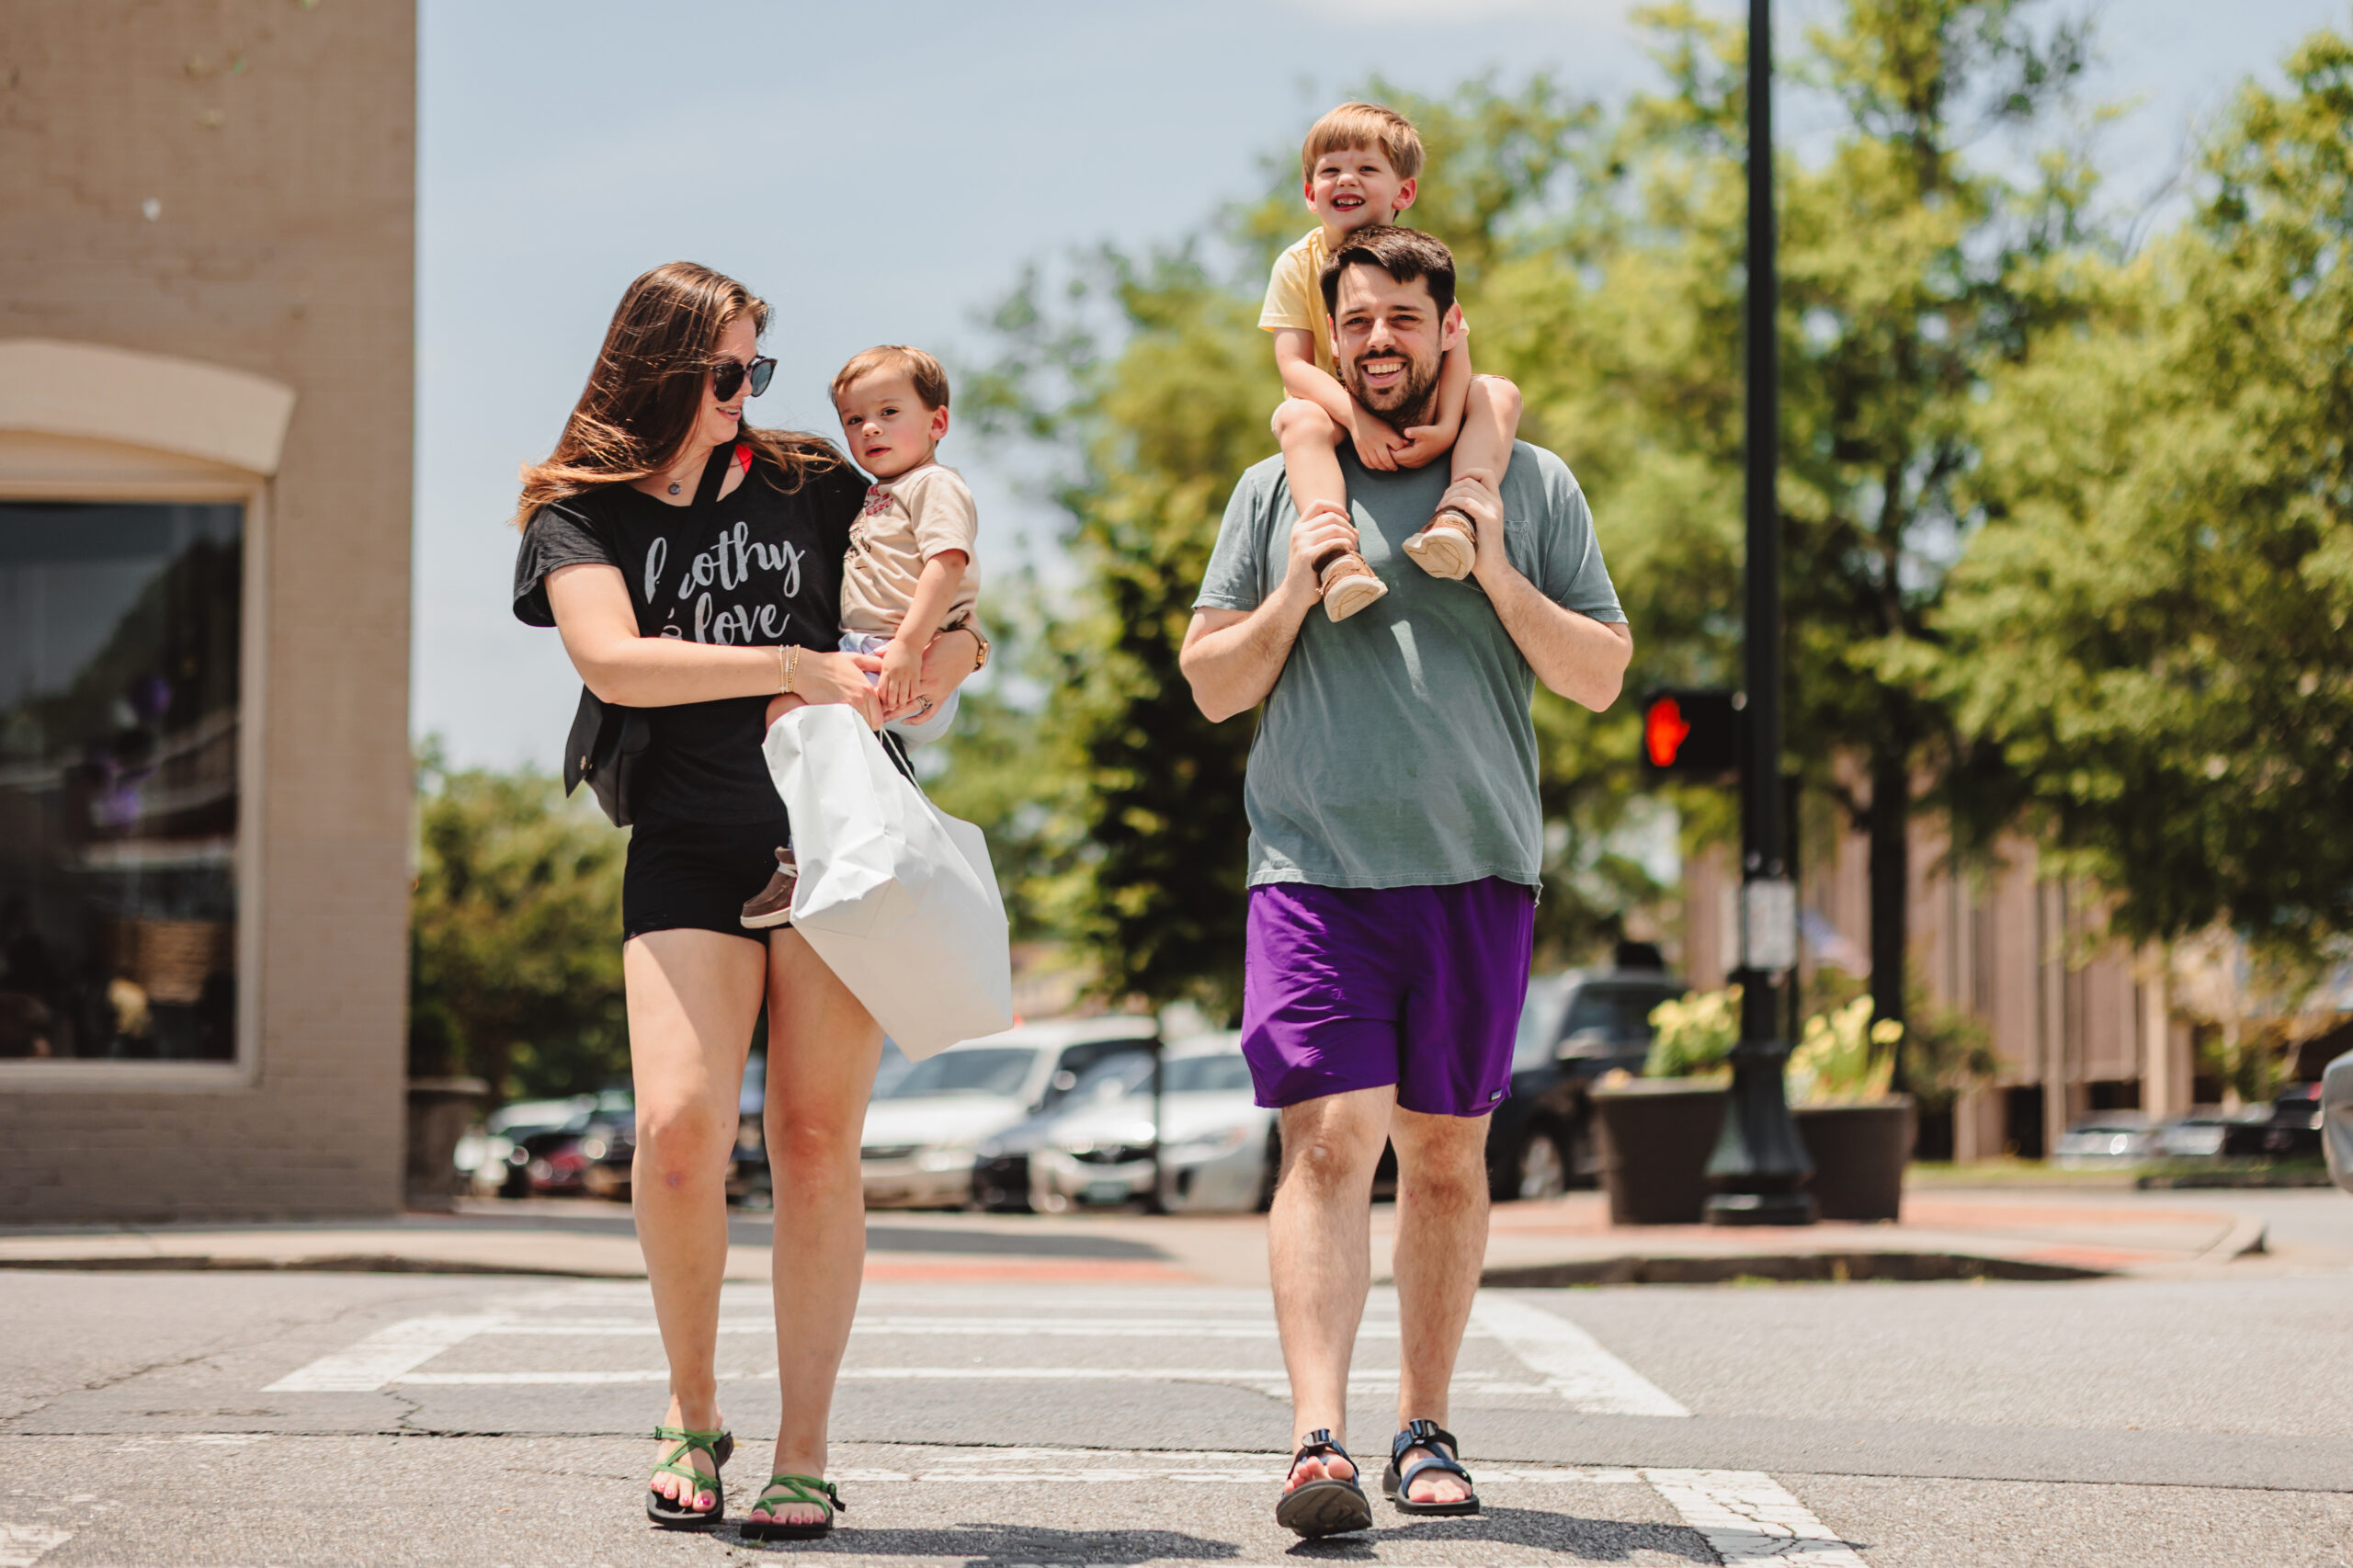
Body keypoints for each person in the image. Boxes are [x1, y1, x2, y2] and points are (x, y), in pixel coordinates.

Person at [509, 262, 987, 1540]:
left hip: (838, 840)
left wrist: (940, 660)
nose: (746, 393)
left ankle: (804, 1447)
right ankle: (692, 1406)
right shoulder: (577, 511)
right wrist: (793, 662)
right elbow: (614, 660)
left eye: (756, 371)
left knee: (818, 1142)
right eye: (727, 371)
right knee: (677, 1132)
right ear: (662, 367)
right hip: (686, 841)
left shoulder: (810, 480)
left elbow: (947, 610)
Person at [1180, 225, 1631, 1538]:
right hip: (1313, 869)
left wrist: (1493, 569)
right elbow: (1212, 684)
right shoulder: (1277, 487)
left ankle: (1423, 1424)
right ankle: (1316, 1438)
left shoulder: (1529, 484)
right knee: (1327, 1140)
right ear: (1329, 337)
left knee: (1444, 1155)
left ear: (1447, 330)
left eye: (1403, 319)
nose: (1379, 341)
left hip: (1476, 866)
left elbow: (1600, 673)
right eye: (1357, 320)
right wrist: (1291, 594)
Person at [735, 345, 981, 930]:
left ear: (938, 423)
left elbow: (947, 562)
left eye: (889, 412)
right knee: (813, 732)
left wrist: (909, 647)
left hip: (901, 654)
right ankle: (828, 853)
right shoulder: (880, 494)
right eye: (854, 419)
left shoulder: (933, 485)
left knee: (792, 712)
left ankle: (817, 860)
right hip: (872, 651)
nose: (869, 428)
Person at [1261, 102, 1525, 621]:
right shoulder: (1297, 264)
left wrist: (1446, 426)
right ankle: (1336, 558)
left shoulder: (1413, 260)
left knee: (1499, 393)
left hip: (1415, 401)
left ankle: (1459, 516)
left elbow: (1456, 348)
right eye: (1330, 170)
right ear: (1310, 193)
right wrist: (1358, 420)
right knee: (1297, 417)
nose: (1346, 179)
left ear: (1403, 192)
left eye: (1366, 167)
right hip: (1340, 410)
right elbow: (1294, 367)